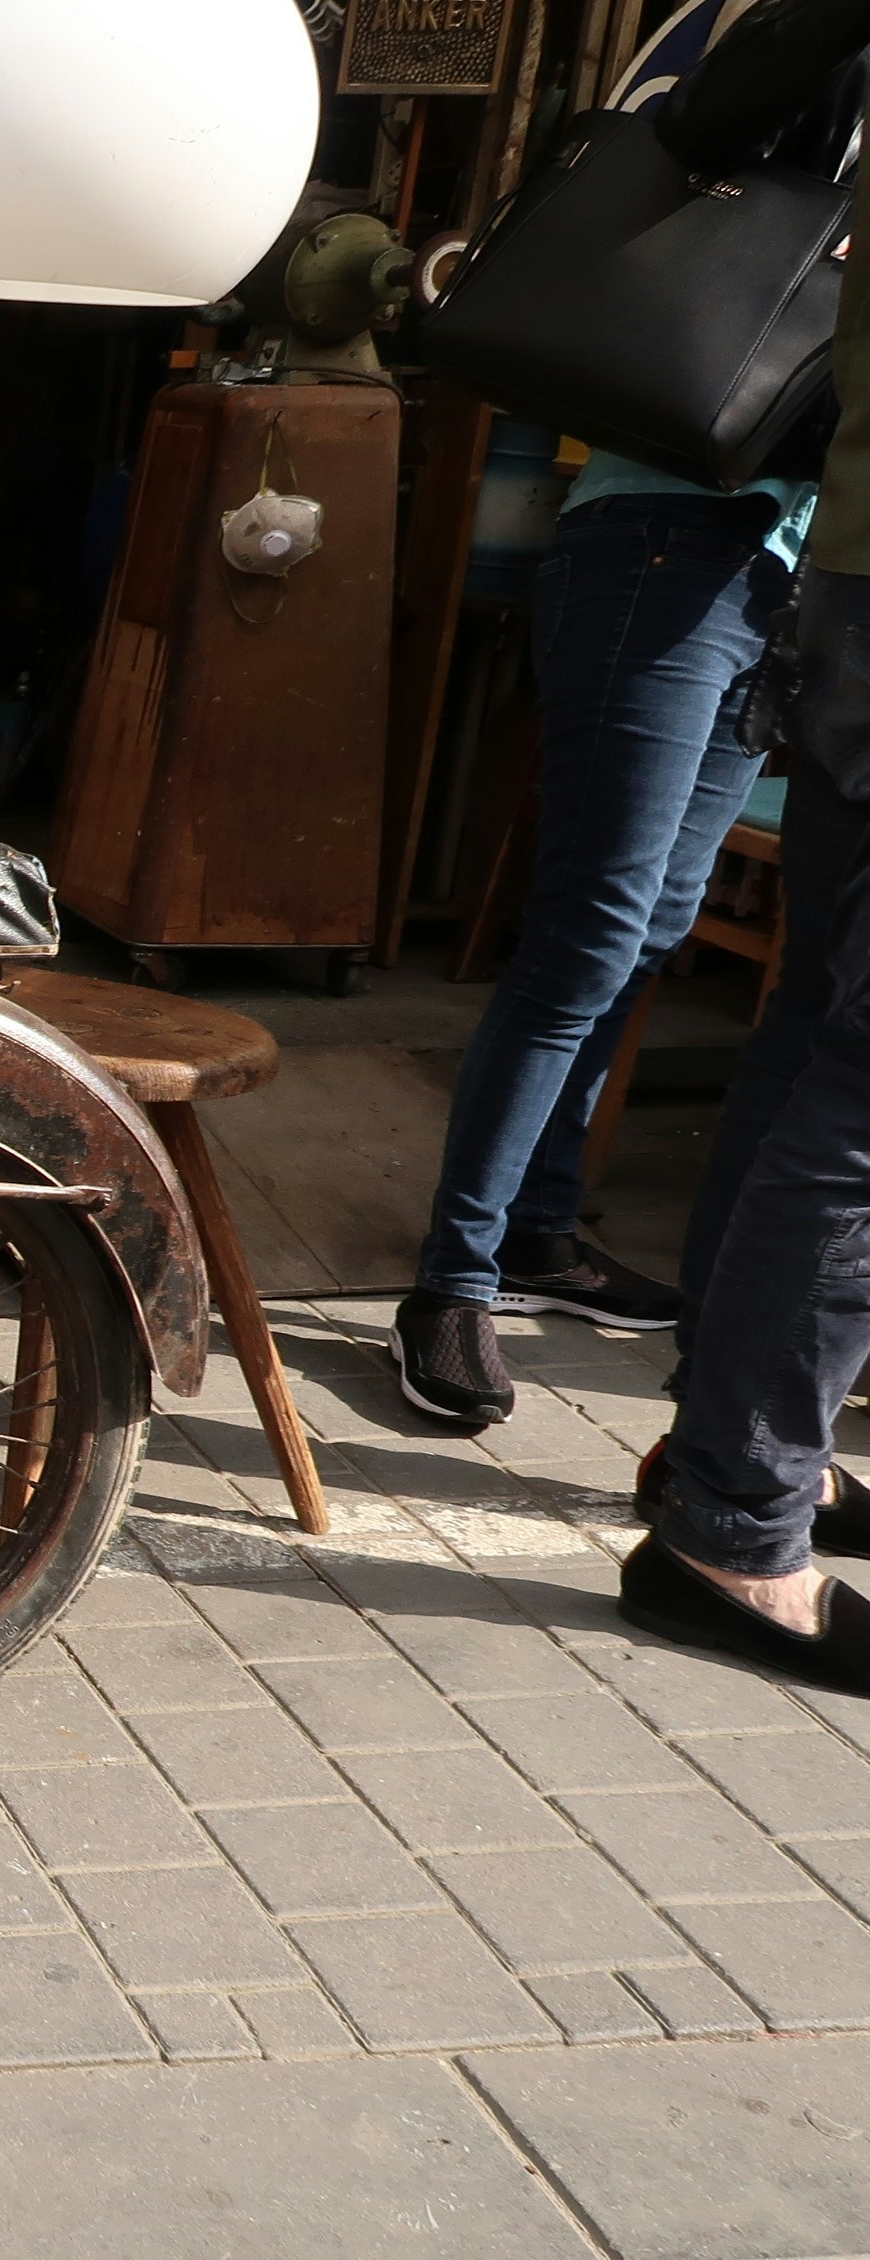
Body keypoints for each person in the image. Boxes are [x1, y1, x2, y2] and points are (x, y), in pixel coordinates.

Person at [391, 0, 839, 1427]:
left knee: (643, 927)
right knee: (590, 927)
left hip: (768, 557)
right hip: (662, 541)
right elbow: (710, 126)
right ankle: (449, 1285)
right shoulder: (748, 32)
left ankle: (536, 1232)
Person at [622, 0, 870, 1684]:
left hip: (857, 573)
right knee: (859, 1092)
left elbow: (731, 104)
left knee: (813, 1051)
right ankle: (728, 1518)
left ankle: (729, 1455)